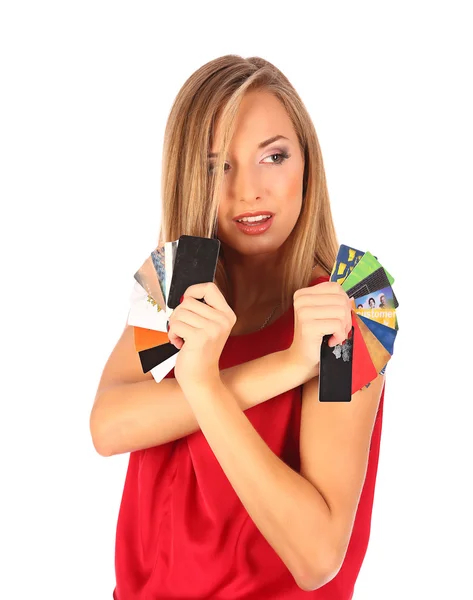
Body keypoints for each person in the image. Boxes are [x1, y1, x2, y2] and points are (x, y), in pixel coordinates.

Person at [90, 54, 387, 600]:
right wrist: (288, 366)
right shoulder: (176, 278)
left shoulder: (353, 299)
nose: (248, 190)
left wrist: (202, 383)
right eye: (216, 166)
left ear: (307, 163)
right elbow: (108, 427)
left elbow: (317, 556)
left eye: (272, 156)